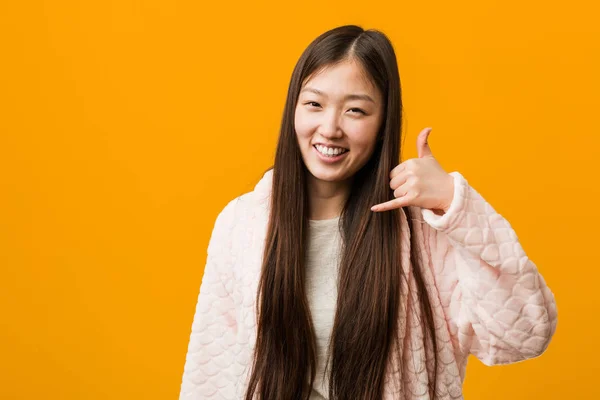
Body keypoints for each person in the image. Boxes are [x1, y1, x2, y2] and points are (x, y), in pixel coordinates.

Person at [178, 25, 557, 400]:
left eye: (356, 110)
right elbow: (211, 372)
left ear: (382, 125)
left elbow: (521, 336)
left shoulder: (424, 228)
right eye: (314, 104)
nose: (329, 128)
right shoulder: (243, 223)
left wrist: (455, 204)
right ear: (293, 108)